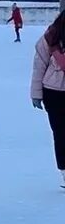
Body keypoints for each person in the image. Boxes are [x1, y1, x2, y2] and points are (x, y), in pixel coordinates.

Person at [30, 10, 65, 189]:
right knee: (60, 134)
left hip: (52, 92)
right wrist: (36, 94)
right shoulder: (49, 38)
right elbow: (39, 66)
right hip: (53, 92)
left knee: (60, 134)